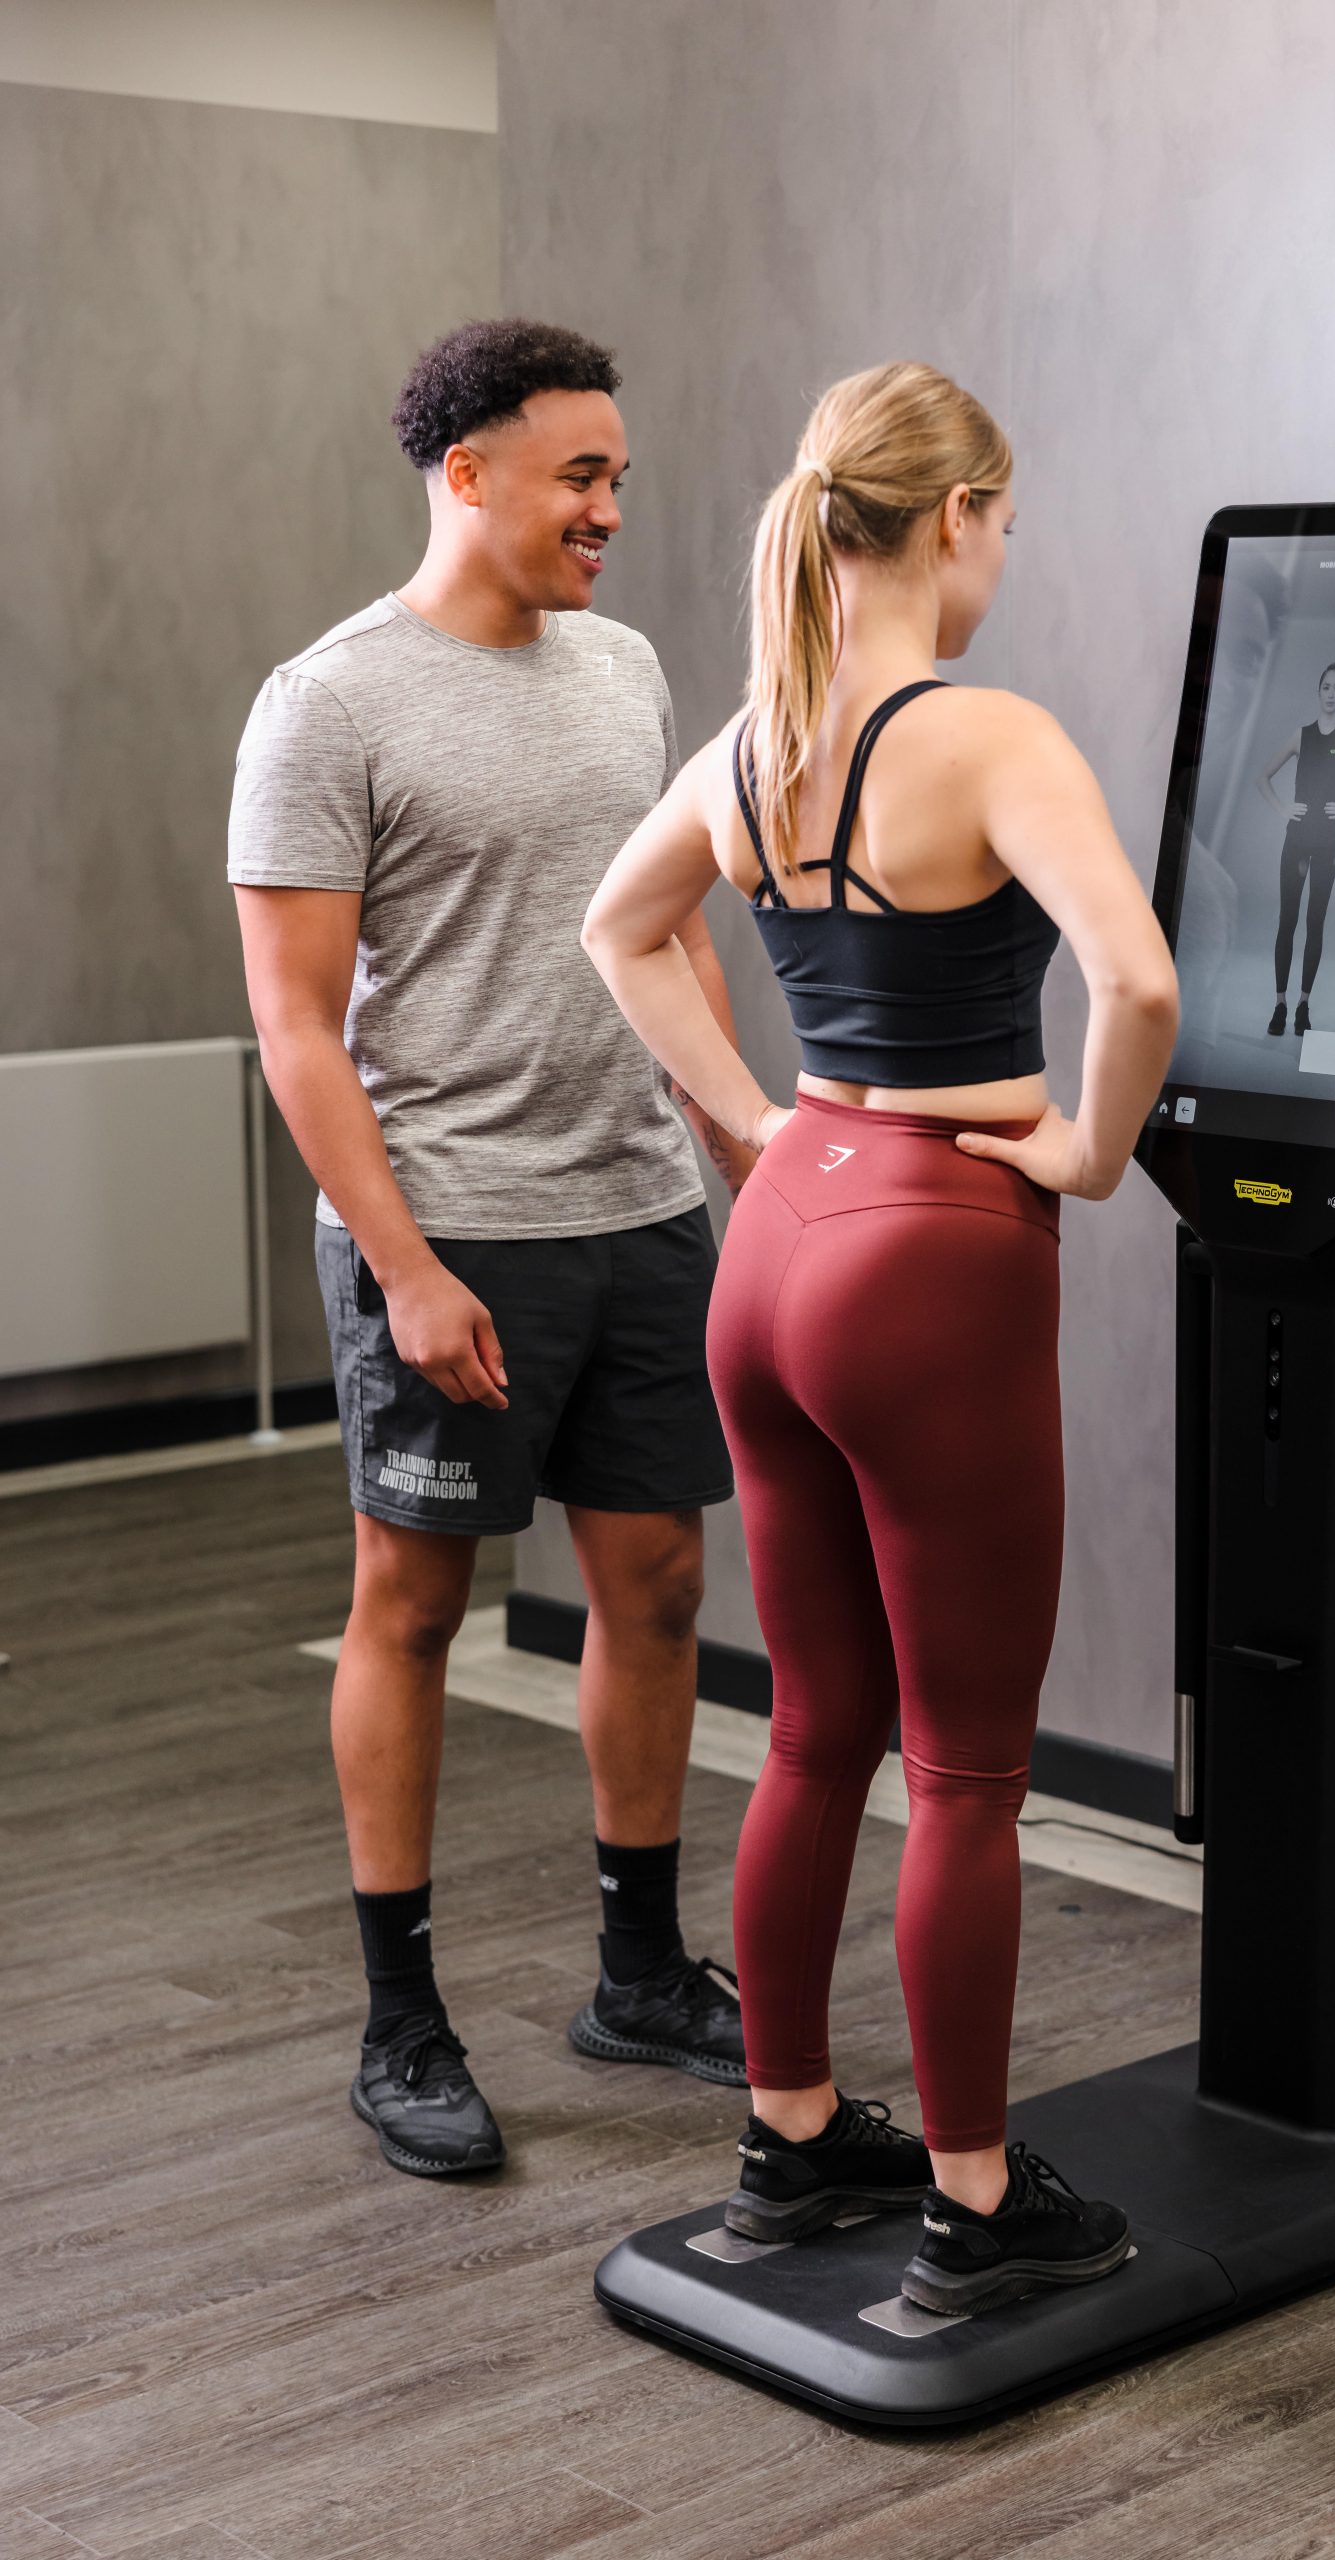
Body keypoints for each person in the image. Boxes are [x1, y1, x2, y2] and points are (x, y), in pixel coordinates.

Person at [581, 361, 1179, 2314]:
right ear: (952, 520)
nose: (1004, 555)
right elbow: (1136, 981)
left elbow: (619, 926)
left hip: (775, 1247)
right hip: (931, 1257)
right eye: (1003, 524)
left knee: (814, 1729)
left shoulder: (757, 737)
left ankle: (786, 2136)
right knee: (969, 1771)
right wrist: (1085, 1150)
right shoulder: (987, 735)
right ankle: (974, 2205)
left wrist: (751, 1119)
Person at [229, 319, 749, 2180]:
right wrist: (408, 1268)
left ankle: (639, 1974)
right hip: (450, 1223)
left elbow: (668, 930)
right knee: (417, 1606)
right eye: (580, 475)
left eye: (618, 475)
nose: (612, 506)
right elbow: (296, 1027)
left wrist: (742, 1143)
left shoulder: (624, 672)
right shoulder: (328, 704)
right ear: (467, 474)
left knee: (659, 1587)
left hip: (637, 1208)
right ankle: (403, 2019)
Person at [1257, 661, 1335, 1035]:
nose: (1331, 693)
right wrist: (1282, 807)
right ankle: (1279, 1004)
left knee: (1315, 922)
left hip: (1329, 842)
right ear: (1319, 691)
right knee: (1287, 921)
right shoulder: (1301, 736)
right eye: (1326, 687)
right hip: (1296, 840)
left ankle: (1303, 1005)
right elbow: (1263, 777)